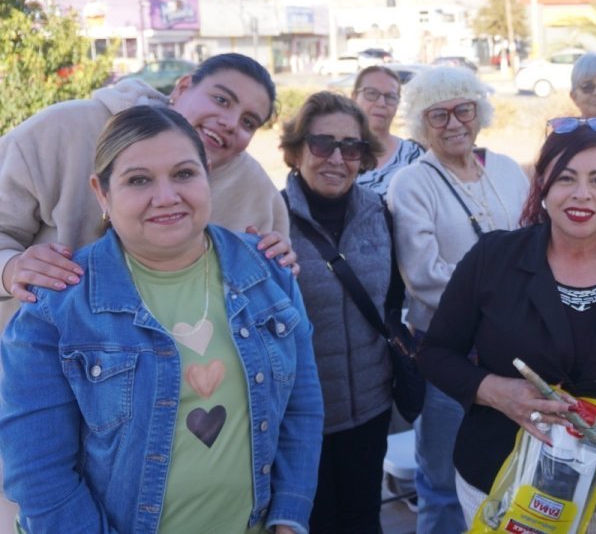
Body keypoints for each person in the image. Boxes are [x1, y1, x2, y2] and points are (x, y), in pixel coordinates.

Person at [0, 106, 322, 533]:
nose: (167, 196)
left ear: (207, 176)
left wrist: (289, 516)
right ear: (102, 193)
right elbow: (38, 473)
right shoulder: (55, 308)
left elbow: (303, 406)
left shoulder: (269, 272)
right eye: (139, 180)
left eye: (185, 174)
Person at [418, 117, 596, 533]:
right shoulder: (493, 259)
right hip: (503, 487)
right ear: (543, 188)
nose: (582, 194)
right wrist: (495, 391)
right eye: (566, 178)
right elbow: (435, 353)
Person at [0, 52, 295, 328]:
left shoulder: (257, 193)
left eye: (248, 122)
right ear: (182, 87)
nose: (230, 123)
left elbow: (272, 310)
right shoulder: (63, 130)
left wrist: (276, 264)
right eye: (221, 100)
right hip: (38, 362)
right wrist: (11, 268)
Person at [387, 66, 528, 534]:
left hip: (516, 353)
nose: (453, 123)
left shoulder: (506, 170)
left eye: (463, 109)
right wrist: (505, 301)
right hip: (450, 354)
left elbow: (535, 245)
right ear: (420, 123)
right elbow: (423, 276)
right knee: (443, 483)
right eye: (438, 114)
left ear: (479, 110)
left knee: (512, 474)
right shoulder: (412, 182)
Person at [280, 92, 400, 532]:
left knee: (364, 517)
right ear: (296, 150)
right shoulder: (271, 219)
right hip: (301, 417)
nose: (337, 158)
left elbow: (391, 301)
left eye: (350, 147)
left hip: (370, 407)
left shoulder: (379, 213)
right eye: (321, 143)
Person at [351, 66, 424, 196]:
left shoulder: (414, 157)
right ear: (354, 97)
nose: (381, 103)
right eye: (372, 93)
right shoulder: (336, 153)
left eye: (390, 97)